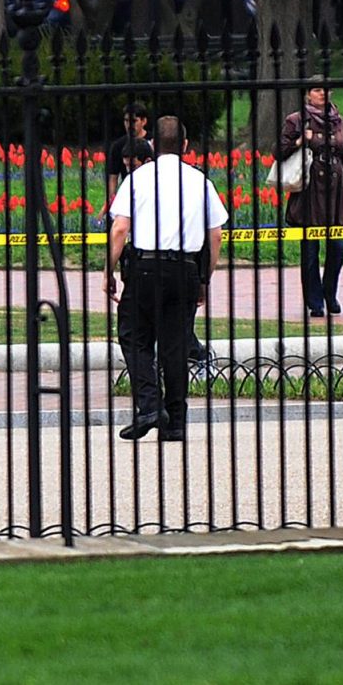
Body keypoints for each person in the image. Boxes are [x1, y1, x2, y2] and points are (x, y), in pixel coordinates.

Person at [106, 116, 227, 442]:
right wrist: (204, 277)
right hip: (186, 269)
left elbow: (120, 228)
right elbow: (215, 235)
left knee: (134, 335)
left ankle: (148, 403)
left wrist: (108, 269)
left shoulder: (138, 179)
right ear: (185, 146)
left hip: (146, 266)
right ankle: (175, 422)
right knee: (176, 345)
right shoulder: (200, 181)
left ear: (154, 146)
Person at [277, 76, 343, 317]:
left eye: (325, 89)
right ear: (308, 94)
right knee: (310, 251)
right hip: (309, 192)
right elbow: (279, 151)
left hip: (338, 191)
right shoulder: (295, 120)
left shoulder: (340, 122)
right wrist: (299, 140)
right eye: (316, 90)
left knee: (338, 246)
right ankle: (315, 301)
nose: (322, 93)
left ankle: (329, 292)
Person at [101, 102, 149, 220]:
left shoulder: (153, 142)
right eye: (126, 121)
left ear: (143, 121)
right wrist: (109, 204)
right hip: (128, 192)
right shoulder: (118, 146)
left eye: (133, 121)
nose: (129, 125)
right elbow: (113, 178)